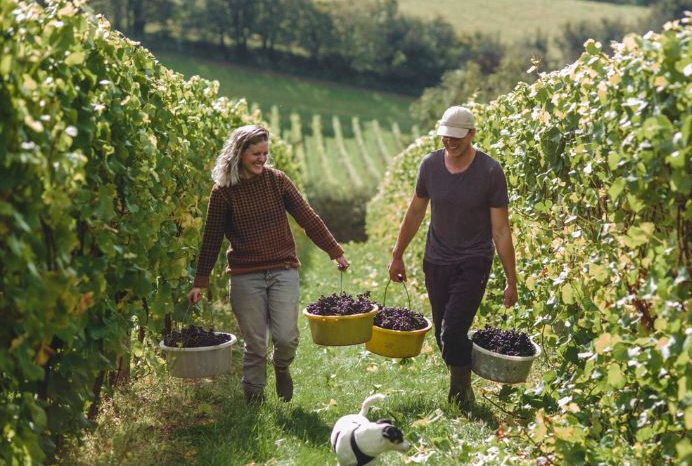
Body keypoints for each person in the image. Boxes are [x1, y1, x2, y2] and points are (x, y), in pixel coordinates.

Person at [187, 124, 349, 404]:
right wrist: (200, 281)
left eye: (265, 153)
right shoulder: (224, 192)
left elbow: (307, 217)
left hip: (282, 269)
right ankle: (254, 399)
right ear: (239, 154)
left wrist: (334, 251)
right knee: (256, 344)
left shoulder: (277, 181)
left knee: (286, 338)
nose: (262, 159)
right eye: (255, 154)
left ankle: (282, 366)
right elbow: (212, 239)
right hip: (244, 275)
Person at [388, 106, 518, 410]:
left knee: (453, 329)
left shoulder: (489, 171)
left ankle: (460, 395)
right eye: (446, 136)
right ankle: (460, 379)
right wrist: (397, 255)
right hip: (436, 260)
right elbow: (416, 212)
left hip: (474, 260)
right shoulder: (430, 165)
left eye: (457, 137)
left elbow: (500, 230)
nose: (450, 142)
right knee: (443, 334)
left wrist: (512, 280)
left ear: (472, 134)